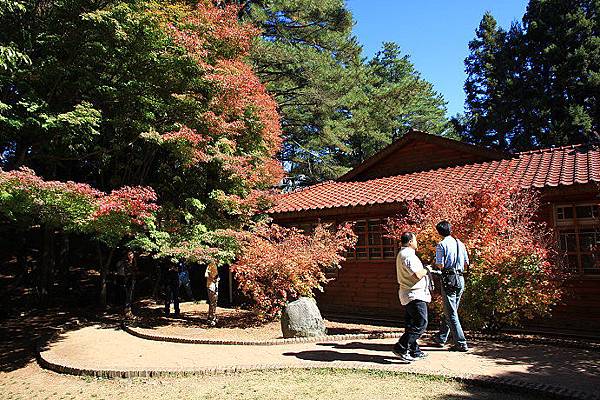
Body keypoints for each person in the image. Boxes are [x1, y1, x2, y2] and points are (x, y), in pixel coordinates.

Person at [392, 231, 432, 362]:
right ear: (410, 242)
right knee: (421, 323)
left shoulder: (404, 254)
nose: (417, 242)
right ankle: (401, 347)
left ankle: (414, 351)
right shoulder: (407, 255)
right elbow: (417, 275)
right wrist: (428, 269)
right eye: (415, 240)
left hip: (409, 293)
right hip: (414, 294)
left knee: (411, 323)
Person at [433, 220, 469, 352]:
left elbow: (440, 265)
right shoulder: (460, 244)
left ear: (439, 232)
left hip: (449, 279)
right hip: (460, 278)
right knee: (451, 311)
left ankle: (461, 342)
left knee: (451, 313)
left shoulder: (441, 245)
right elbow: (466, 263)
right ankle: (441, 337)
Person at [205, 261, 219, 326]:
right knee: (213, 302)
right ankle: (212, 318)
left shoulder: (215, 265)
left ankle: (211, 317)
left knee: (213, 302)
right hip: (211, 286)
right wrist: (213, 280)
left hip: (214, 286)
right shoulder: (211, 264)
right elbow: (207, 274)